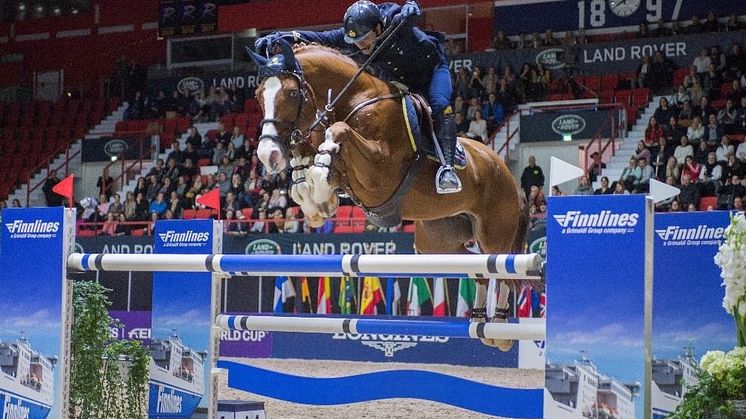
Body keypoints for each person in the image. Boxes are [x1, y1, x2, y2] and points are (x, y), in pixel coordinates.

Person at [255, 0, 462, 194]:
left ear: (378, 28)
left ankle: (448, 167)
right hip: (399, 79)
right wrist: (282, 36)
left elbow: (412, 8)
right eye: (355, 41)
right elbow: (322, 37)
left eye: (364, 39)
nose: (360, 45)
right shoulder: (357, 35)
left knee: (440, 103)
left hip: (432, 71)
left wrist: (412, 7)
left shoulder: (395, 21)